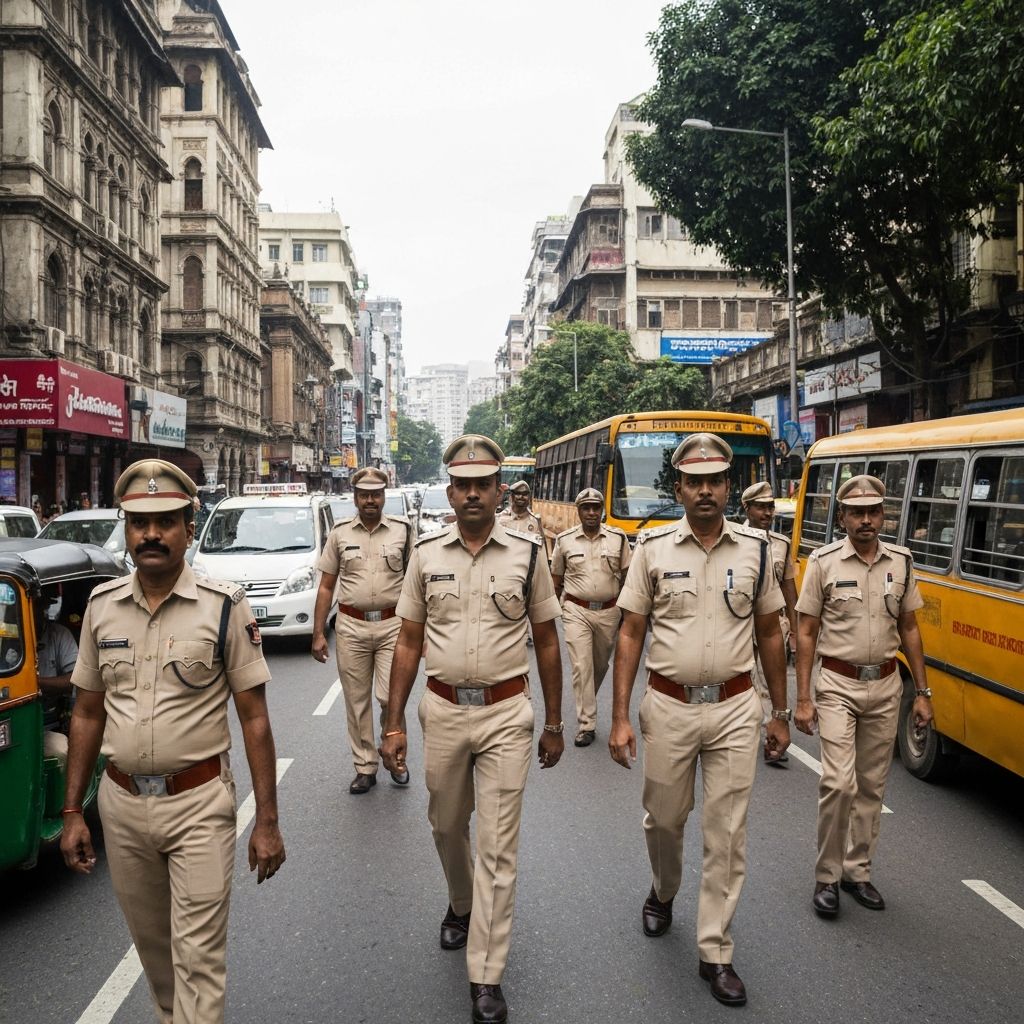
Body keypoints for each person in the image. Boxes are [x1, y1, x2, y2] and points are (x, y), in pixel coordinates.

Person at [60, 458, 285, 1024]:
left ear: (189, 524)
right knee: (157, 958)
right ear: (127, 528)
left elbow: (253, 717)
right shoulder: (101, 607)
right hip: (122, 808)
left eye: (165, 521)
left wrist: (267, 821)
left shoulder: (224, 605)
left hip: (199, 806)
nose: (151, 534)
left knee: (199, 962)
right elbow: (86, 712)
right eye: (139, 522)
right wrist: (72, 811)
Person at [380, 434, 564, 1024]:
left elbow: (546, 640)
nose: (473, 495)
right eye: (463, 485)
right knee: (444, 821)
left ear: (498, 488)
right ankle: (461, 901)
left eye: (483, 484)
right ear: (451, 491)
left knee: (498, 846)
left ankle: (486, 973)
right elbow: (408, 642)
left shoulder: (529, 554)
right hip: (441, 711)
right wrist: (392, 724)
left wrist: (555, 722)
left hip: (508, 713)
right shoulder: (426, 556)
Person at [609, 433, 790, 1008]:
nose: (706, 490)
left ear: (728, 487)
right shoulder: (652, 550)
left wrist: (780, 713)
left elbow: (769, 633)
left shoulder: (757, 550)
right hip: (668, 706)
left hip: (738, 707)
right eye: (695, 481)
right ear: (679, 488)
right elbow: (631, 633)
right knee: (664, 819)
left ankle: (716, 950)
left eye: (715, 480)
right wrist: (619, 718)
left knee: (727, 834)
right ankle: (663, 890)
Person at [795, 474, 933, 918]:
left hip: (887, 685)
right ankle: (827, 877)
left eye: (874, 512)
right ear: (843, 518)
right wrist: (803, 698)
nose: (867, 520)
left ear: (884, 515)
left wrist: (924, 694)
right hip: (837, 685)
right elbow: (807, 631)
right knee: (839, 782)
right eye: (858, 513)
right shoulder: (823, 563)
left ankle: (858, 871)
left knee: (872, 785)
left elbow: (910, 627)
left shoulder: (902, 562)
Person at [311, 465, 413, 794]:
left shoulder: (403, 531)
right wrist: (317, 633)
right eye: (364, 494)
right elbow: (327, 586)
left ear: (385, 496)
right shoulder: (340, 533)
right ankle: (365, 766)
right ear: (355, 497)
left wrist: (422, 634)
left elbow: (417, 585)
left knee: (388, 696)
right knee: (357, 701)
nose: (370, 500)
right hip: (351, 626)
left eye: (376, 494)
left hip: (393, 626)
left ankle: (394, 753)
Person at [550, 486, 630, 747]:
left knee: (598, 666)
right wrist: (550, 614)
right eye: (587, 508)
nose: (592, 512)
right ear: (579, 511)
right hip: (576, 610)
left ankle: (587, 701)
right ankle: (587, 724)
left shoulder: (618, 538)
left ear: (602, 510)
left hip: (609, 612)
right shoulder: (565, 540)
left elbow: (629, 578)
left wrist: (630, 615)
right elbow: (556, 581)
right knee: (581, 666)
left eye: (596, 507)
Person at [741, 481, 799, 765]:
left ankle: (771, 737)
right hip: (740, 623)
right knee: (743, 681)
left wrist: (796, 632)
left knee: (768, 680)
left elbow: (789, 589)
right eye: (761, 507)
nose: (767, 512)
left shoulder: (782, 545)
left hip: (774, 623)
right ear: (747, 509)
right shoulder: (734, 539)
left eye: (770, 507)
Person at [35, 587, 79, 764]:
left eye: (37, 607)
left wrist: (35, 683)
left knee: (59, 750)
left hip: (46, 725)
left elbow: (74, 679)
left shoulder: (58, 635)